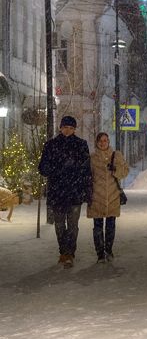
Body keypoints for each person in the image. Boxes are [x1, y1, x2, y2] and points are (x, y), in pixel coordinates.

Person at [38, 115, 92, 268]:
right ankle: (63, 251)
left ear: (74, 129)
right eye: (65, 127)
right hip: (57, 191)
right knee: (60, 224)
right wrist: (57, 169)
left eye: (71, 128)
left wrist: (86, 188)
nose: (67, 130)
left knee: (73, 225)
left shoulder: (81, 145)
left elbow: (86, 169)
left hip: (74, 191)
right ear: (60, 128)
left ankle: (70, 253)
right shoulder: (51, 145)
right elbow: (42, 167)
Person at [87, 132, 129, 263]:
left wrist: (115, 169)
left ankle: (109, 250)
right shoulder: (92, 158)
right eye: (100, 141)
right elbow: (88, 176)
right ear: (96, 143)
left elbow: (125, 172)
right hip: (96, 196)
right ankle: (100, 254)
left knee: (110, 226)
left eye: (105, 140)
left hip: (112, 196)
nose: (103, 143)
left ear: (108, 141)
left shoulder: (116, 155)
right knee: (97, 226)